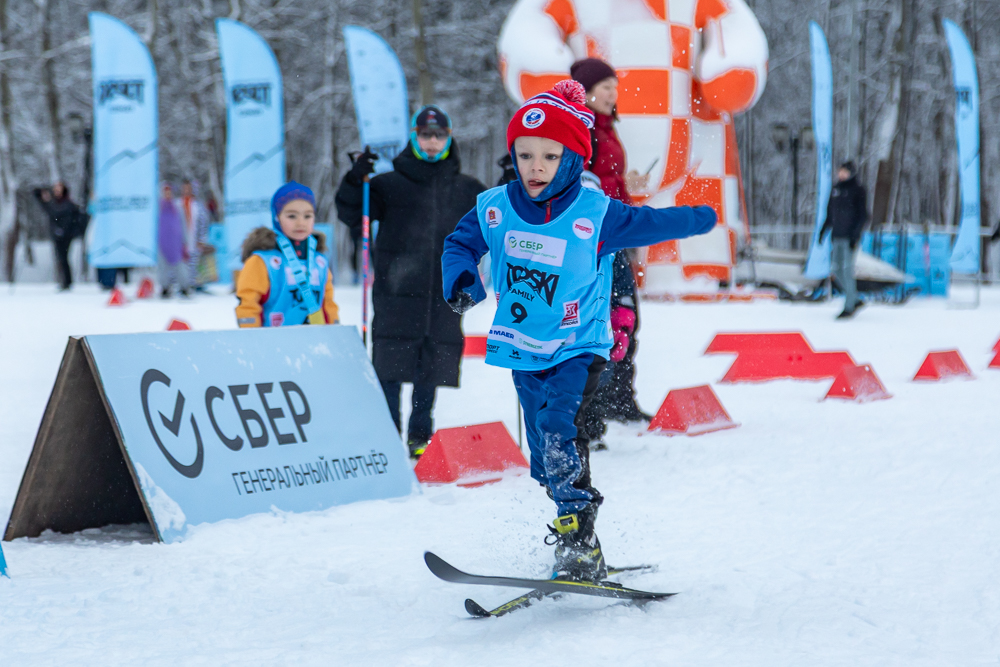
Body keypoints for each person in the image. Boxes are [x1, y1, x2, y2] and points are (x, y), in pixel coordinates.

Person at [441, 80, 716, 582]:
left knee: (558, 431)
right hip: (522, 348)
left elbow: (651, 223)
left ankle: (576, 542)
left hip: (577, 345)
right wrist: (461, 280)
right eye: (524, 156)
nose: (535, 167)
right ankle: (581, 537)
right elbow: (459, 243)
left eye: (549, 155)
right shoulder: (496, 208)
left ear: (572, 159)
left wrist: (700, 218)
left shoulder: (594, 212)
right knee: (544, 459)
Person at [336, 105, 486, 458]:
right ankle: (388, 435)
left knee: (430, 364)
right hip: (397, 289)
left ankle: (421, 435)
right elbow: (350, 211)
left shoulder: (466, 188)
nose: (432, 142)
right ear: (414, 137)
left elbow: (498, 217)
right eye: (425, 135)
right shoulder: (388, 184)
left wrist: (510, 183)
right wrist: (356, 180)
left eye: (439, 135)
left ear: (448, 139)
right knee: (391, 361)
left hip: (444, 292)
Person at [571, 58, 650, 450]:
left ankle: (618, 399)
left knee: (624, 317)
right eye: (606, 87)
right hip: (594, 239)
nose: (612, 94)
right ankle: (590, 413)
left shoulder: (608, 128)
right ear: (585, 91)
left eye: (615, 88)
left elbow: (612, 183)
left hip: (616, 234)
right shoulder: (581, 128)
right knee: (600, 324)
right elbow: (581, 184)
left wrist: (629, 196)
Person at [235, 181, 339, 327]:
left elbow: (328, 304)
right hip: (273, 345)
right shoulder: (262, 261)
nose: (301, 223)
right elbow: (248, 305)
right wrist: (252, 340)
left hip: (315, 343)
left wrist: (335, 333)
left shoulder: (319, 261)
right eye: (292, 216)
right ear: (277, 217)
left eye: (307, 216)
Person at [820, 161, 868, 319]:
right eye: (840, 171)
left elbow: (863, 216)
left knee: (847, 271)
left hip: (849, 237)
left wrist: (855, 236)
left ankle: (849, 307)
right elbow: (830, 213)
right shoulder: (836, 189)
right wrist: (824, 231)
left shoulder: (857, 190)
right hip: (837, 236)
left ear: (851, 173)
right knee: (836, 270)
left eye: (844, 172)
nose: (841, 174)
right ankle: (854, 298)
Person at [33, 181, 84, 291]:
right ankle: (65, 281)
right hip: (56, 235)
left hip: (66, 235)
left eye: (59, 189)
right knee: (60, 258)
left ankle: (67, 282)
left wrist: (64, 230)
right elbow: (40, 200)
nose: (57, 191)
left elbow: (71, 219)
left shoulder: (68, 204)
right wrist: (42, 193)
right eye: (55, 189)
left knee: (64, 257)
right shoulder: (52, 203)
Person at [179, 180, 214, 292]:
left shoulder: (198, 206)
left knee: (194, 263)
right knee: (181, 264)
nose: (186, 191)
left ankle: (193, 285)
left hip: (194, 239)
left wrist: (202, 239)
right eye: (185, 188)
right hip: (180, 240)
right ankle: (182, 285)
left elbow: (203, 223)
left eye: (188, 188)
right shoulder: (177, 204)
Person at [158, 183, 190, 298]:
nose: (167, 195)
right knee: (163, 266)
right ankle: (165, 287)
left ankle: (184, 286)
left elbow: (183, 224)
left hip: (175, 241)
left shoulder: (177, 207)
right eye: (165, 192)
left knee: (180, 265)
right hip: (162, 241)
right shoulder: (159, 208)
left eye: (169, 192)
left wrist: (184, 241)